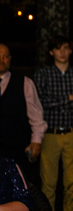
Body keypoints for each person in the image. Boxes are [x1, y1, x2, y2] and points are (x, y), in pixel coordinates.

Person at [34, 35, 73, 211]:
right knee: (48, 183)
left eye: (66, 48)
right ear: (51, 52)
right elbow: (41, 102)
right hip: (50, 134)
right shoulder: (43, 75)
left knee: (72, 183)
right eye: (58, 49)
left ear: (71, 50)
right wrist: (68, 98)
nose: (63, 52)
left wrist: (61, 101)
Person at [0, 43, 46, 177]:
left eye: (5, 56)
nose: (1, 60)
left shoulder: (25, 83)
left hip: (16, 153)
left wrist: (36, 141)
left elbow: (36, 116)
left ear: (10, 59)